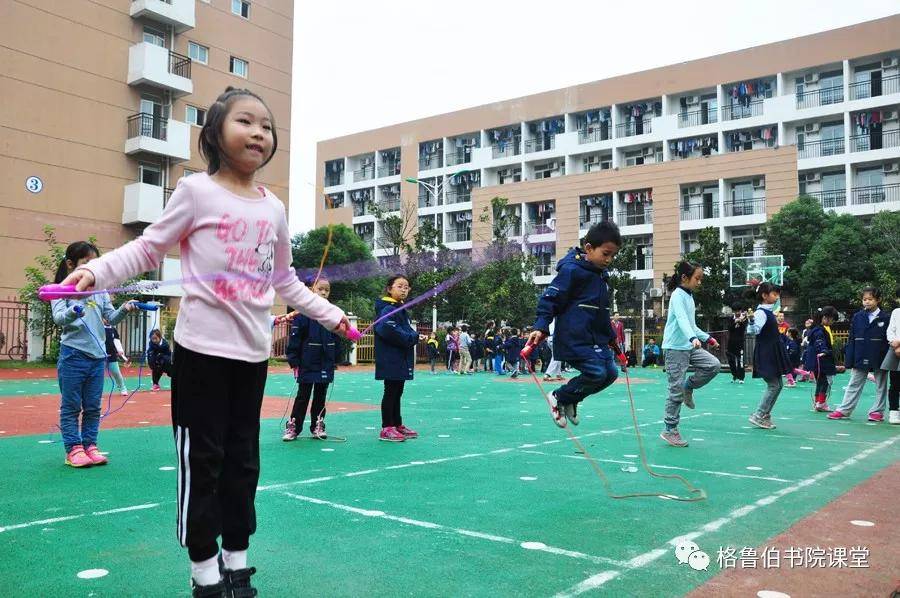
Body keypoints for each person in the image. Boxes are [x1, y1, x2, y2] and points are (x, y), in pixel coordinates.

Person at [61, 87, 350, 596]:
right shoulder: (196, 192)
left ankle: (237, 560)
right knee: (204, 461)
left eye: (266, 126)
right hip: (200, 357)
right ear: (215, 134)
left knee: (244, 462)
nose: (259, 132)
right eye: (246, 121)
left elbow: (284, 281)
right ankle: (202, 569)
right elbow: (150, 246)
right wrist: (97, 272)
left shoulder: (274, 208)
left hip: (251, 358)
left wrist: (333, 317)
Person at [528, 222, 625, 428]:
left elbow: (602, 313)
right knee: (597, 372)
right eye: (605, 254)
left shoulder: (600, 276)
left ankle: (572, 399)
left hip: (596, 339)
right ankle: (558, 396)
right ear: (589, 248)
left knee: (611, 373)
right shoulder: (572, 271)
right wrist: (541, 325)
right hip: (574, 338)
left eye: (613, 256)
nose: (609, 260)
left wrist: (611, 339)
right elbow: (550, 298)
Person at [52, 242, 136, 468]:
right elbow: (59, 318)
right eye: (85, 263)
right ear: (71, 265)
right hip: (73, 355)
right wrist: (74, 309)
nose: (91, 269)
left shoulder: (100, 290)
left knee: (93, 406)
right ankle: (73, 449)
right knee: (71, 406)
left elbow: (110, 317)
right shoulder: (61, 289)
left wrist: (125, 309)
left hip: (98, 357)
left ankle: (90, 445)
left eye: (94, 264)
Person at [659, 261, 720, 447]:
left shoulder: (689, 296)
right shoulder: (678, 295)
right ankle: (670, 430)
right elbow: (682, 320)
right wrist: (693, 338)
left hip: (688, 345)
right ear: (685, 278)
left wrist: (707, 338)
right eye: (697, 278)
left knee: (713, 365)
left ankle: (689, 386)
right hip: (675, 349)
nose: (699, 282)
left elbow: (691, 325)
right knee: (674, 390)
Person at [283, 277, 337, 441]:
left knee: (321, 395)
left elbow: (337, 338)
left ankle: (318, 425)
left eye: (327, 290)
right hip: (306, 362)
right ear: (311, 289)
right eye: (320, 288)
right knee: (303, 395)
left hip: (325, 363)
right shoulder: (302, 313)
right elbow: (295, 339)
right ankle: (294, 426)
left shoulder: (332, 313)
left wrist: (335, 359)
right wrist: (294, 360)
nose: (324, 292)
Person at [374, 275, 426, 442]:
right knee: (390, 391)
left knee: (397, 391)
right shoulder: (387, 309)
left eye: (406, 287)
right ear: (390, 289)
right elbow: (387, 330)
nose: (404, 289)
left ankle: (397, 424)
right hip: (391, 357)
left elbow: (406, 330)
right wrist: (411, 338)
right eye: (400, 286)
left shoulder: (399, 308)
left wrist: (416, 336)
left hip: (400, 357)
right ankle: (386, 427)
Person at [829, 287, 891, 421]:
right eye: (864, 299)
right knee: (854, 382)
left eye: (870, 299)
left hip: (880, 355)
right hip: (860, 354)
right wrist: (849, 358)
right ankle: (844, 410)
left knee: (881, 384)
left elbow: (889, 337)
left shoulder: (886, 317)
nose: (867, 302)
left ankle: (877, 412)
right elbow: (852, 338)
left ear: (878, 300)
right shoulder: (858, 316)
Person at [746, 283, 793, 429]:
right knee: (774, 385)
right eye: (774, 294)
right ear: (764, 296)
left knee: (778, 385)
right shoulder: (760, 313)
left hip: (772, 351)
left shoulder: (769, 311)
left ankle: (764, 415)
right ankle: (759, 415)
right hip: (767, 353)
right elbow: (753, 330)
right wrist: (751, 321)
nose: (777, 297)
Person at [805, 306, 838, 412]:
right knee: (825, 382)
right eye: (832, 320)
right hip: (821, 360)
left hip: (814, 360)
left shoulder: (814, 329)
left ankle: (817, 402)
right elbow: (820, 342)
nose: (832, 322)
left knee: (820, 381)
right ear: (825, 318)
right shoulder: (819, 331)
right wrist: (824, 351)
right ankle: (821, 402)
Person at [882, 285, 900, 425]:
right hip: (895, 351)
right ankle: (894, 412)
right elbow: (890, 330)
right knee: (894, 383)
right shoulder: (896, 312)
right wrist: (893, 343)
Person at [103, 318, 130, 396]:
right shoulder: (99, 328)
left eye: (109, 318)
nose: (107, 320)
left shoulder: (113, 330)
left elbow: (116, 341)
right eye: (105, 318)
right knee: (98, 374)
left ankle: (123, 388)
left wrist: (120, 350)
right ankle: (96, 391)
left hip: (112, 355)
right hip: (101, 356)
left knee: (116, 373)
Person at [726, 305, 749, 384]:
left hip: (740, 342)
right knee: (731, 361)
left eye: (739, 311)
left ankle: (741, 377)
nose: (737, 312)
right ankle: (734, 375)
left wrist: (741, 320)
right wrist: (735, 321)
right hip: (731, 342)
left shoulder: (745, 318)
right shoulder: (730, 319)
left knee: (740, 361)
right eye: (735, 311)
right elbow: (729, 328)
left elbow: (744, 327)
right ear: (733, 311)